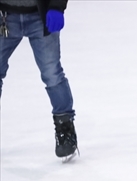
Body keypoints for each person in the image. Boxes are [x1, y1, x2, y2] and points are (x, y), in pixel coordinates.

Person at [0, 0, 78, 159]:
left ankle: (65, 126)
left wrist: (57, 6)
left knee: (52, 73)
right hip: (4, 17)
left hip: (40, 16)